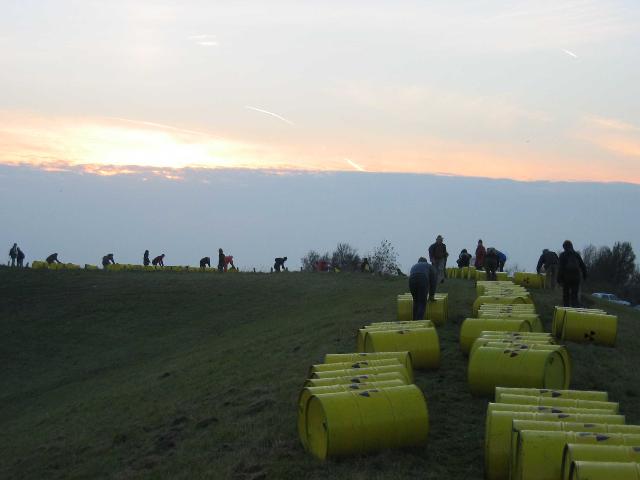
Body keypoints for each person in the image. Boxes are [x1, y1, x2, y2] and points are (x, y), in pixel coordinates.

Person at [558, 240, 587, 307]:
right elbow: (583, 266)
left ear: (564, 247)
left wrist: (559, 279)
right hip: (576, 278)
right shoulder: (576, 254)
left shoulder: (563, 255)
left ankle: (566, 310)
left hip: (566, 278)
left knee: (566, 295)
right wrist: (585, 276)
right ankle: (575, 310)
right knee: (574, 296)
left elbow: (560, 268)